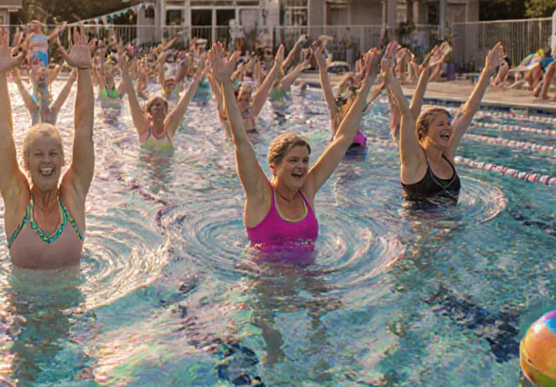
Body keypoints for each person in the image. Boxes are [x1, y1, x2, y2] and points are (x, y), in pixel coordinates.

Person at [212, 44, 380, 247]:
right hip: (267, 278)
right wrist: (224, 84)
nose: (301, 166)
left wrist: (368, 82)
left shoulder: (306, 192)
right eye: (293, 160)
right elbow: (240, 139)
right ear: (274, 167)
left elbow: (342, 139)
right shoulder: (261, 195)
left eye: (304, 160)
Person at [0, 27, 94, 270]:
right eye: (38, 154)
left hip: (70, 309)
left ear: (63, 161)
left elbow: (83, 130)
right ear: (25, 162)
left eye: (52, 154)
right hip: (21, 308)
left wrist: (84, 70)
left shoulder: (74, 194)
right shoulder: (16, 197)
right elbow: (3, 132)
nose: (46, 161)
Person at [383, 42, 506, 205]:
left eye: (448, 123)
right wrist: (389, 75)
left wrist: (487, 71)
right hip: (419, 229)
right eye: (440, 124)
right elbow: (407, 115)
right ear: (423, 131)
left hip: (452, 227)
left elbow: (467, 113)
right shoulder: (414, 160)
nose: (448, 127)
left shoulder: (446, 155)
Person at [118, 50, 205, 156]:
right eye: (157, 105)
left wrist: (197, 78)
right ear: (149, 112)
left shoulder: (169, 130)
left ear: (166, 112)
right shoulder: (144, 130)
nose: (160, 108)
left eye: (163, 106)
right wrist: (125, 73)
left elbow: (184, 102)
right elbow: (132, 98)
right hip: (146, 171)